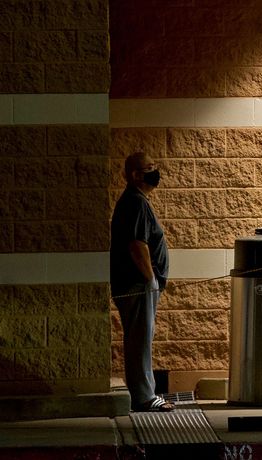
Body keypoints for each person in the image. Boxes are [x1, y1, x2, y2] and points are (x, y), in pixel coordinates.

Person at [110, 152, 174, 412]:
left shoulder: (137, 201)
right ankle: (145, 397)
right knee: (140, 341)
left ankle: (145, 394)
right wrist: (151, 280)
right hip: (138, 286)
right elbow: (138, 245)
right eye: (149, 168)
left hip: (138, 285)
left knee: (140, 339)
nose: (155, 171)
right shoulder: (135, 203)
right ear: (135, 174)